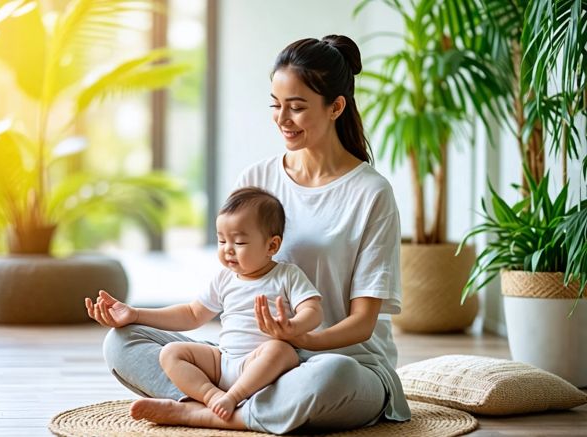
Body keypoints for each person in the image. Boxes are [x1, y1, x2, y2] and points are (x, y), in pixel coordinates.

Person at [89, 34, 411, 434]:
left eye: (297, 108)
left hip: (338, 362)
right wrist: (134, 314)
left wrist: (301, 337)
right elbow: (217, 294)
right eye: (276, 106)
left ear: (336, 107)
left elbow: (363, 323)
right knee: (122, 341)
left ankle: (204, 412)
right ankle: (242, 405)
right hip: (245, 363)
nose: (282, 119)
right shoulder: (257, 180)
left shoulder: (371, 193)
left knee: (331, 378)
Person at [86, 187, 323, 422]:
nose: (228, 249)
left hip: (261, 363)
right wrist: (135, 314)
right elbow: (191, 314)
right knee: (172, 353)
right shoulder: (224, 278)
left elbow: (313, 311)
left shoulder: (286, 275)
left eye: (239, 242)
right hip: (223, 362)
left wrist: (292, 326)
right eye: (221, 240)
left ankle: (233, 398)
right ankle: (212, 398)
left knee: (279, 350)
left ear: (271, 246)